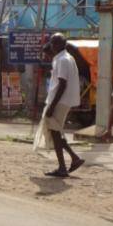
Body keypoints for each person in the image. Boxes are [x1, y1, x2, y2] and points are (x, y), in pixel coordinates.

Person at [43, 33, 84, 177]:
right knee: (56, 131)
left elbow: (62, 84)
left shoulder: (63, 60)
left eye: (54, 43)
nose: (52, 46)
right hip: (62, 101)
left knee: (55, 132)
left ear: (61, 44)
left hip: (59, 101)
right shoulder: (64, 58)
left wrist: (52, 106)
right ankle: (74, 158)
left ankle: (63, 167)